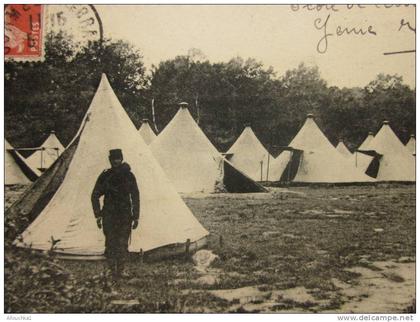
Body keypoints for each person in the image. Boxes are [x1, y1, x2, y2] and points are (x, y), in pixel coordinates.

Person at [91, 149, 140, 279]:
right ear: (110, 160)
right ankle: (112, 270)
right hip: (109, 214)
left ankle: (121, 270)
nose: (116, 162)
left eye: (118, 159)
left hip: (124, 215)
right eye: (113, 159)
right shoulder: (106, 176)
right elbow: (95, 195)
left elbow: (135, 196)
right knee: (110, 242)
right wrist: (98, 214)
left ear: (122, 159)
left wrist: (136, 216)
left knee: (123, 243)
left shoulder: (129, 176)